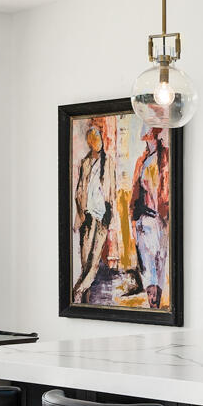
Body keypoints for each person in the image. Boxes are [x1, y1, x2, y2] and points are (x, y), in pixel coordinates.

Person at [70, 120, 112, 302]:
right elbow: (79, 190)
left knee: (95, 258)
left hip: (102, 215)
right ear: (89, 142)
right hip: (87, 215)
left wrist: (110, 215)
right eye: (93, 140)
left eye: (98, 139)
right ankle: (83, 293)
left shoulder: (108, 162)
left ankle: (79, 290)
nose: (97, 142)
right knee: (86, 257)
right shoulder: (85, 162)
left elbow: (112, 189)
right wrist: (79, 213)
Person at [128, 124, 168, 308]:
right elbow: (134, 194)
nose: (147, 136)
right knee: (147, 267)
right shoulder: (141, 161)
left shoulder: (165, 157)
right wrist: (133, 221)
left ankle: (157, 307)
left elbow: (167, 191)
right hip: (144, 220)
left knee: (160, 265)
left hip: (160, 219)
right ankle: (153, 306)